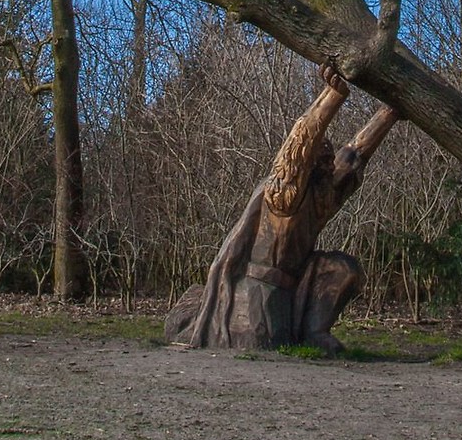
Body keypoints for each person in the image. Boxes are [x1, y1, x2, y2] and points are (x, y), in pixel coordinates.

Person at [163, 66, 402, 350]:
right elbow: (300, 143)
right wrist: (334, 94)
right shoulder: (283, 198)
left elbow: (354, 155)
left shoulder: (319, 198)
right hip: (256, 294)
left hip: (293, 289)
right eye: (322, 160)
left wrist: (390, 112)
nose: (329, 166)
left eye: (329, 162)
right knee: (261, 338)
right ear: (308, 165)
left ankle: (315, 332)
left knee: (342, 269)